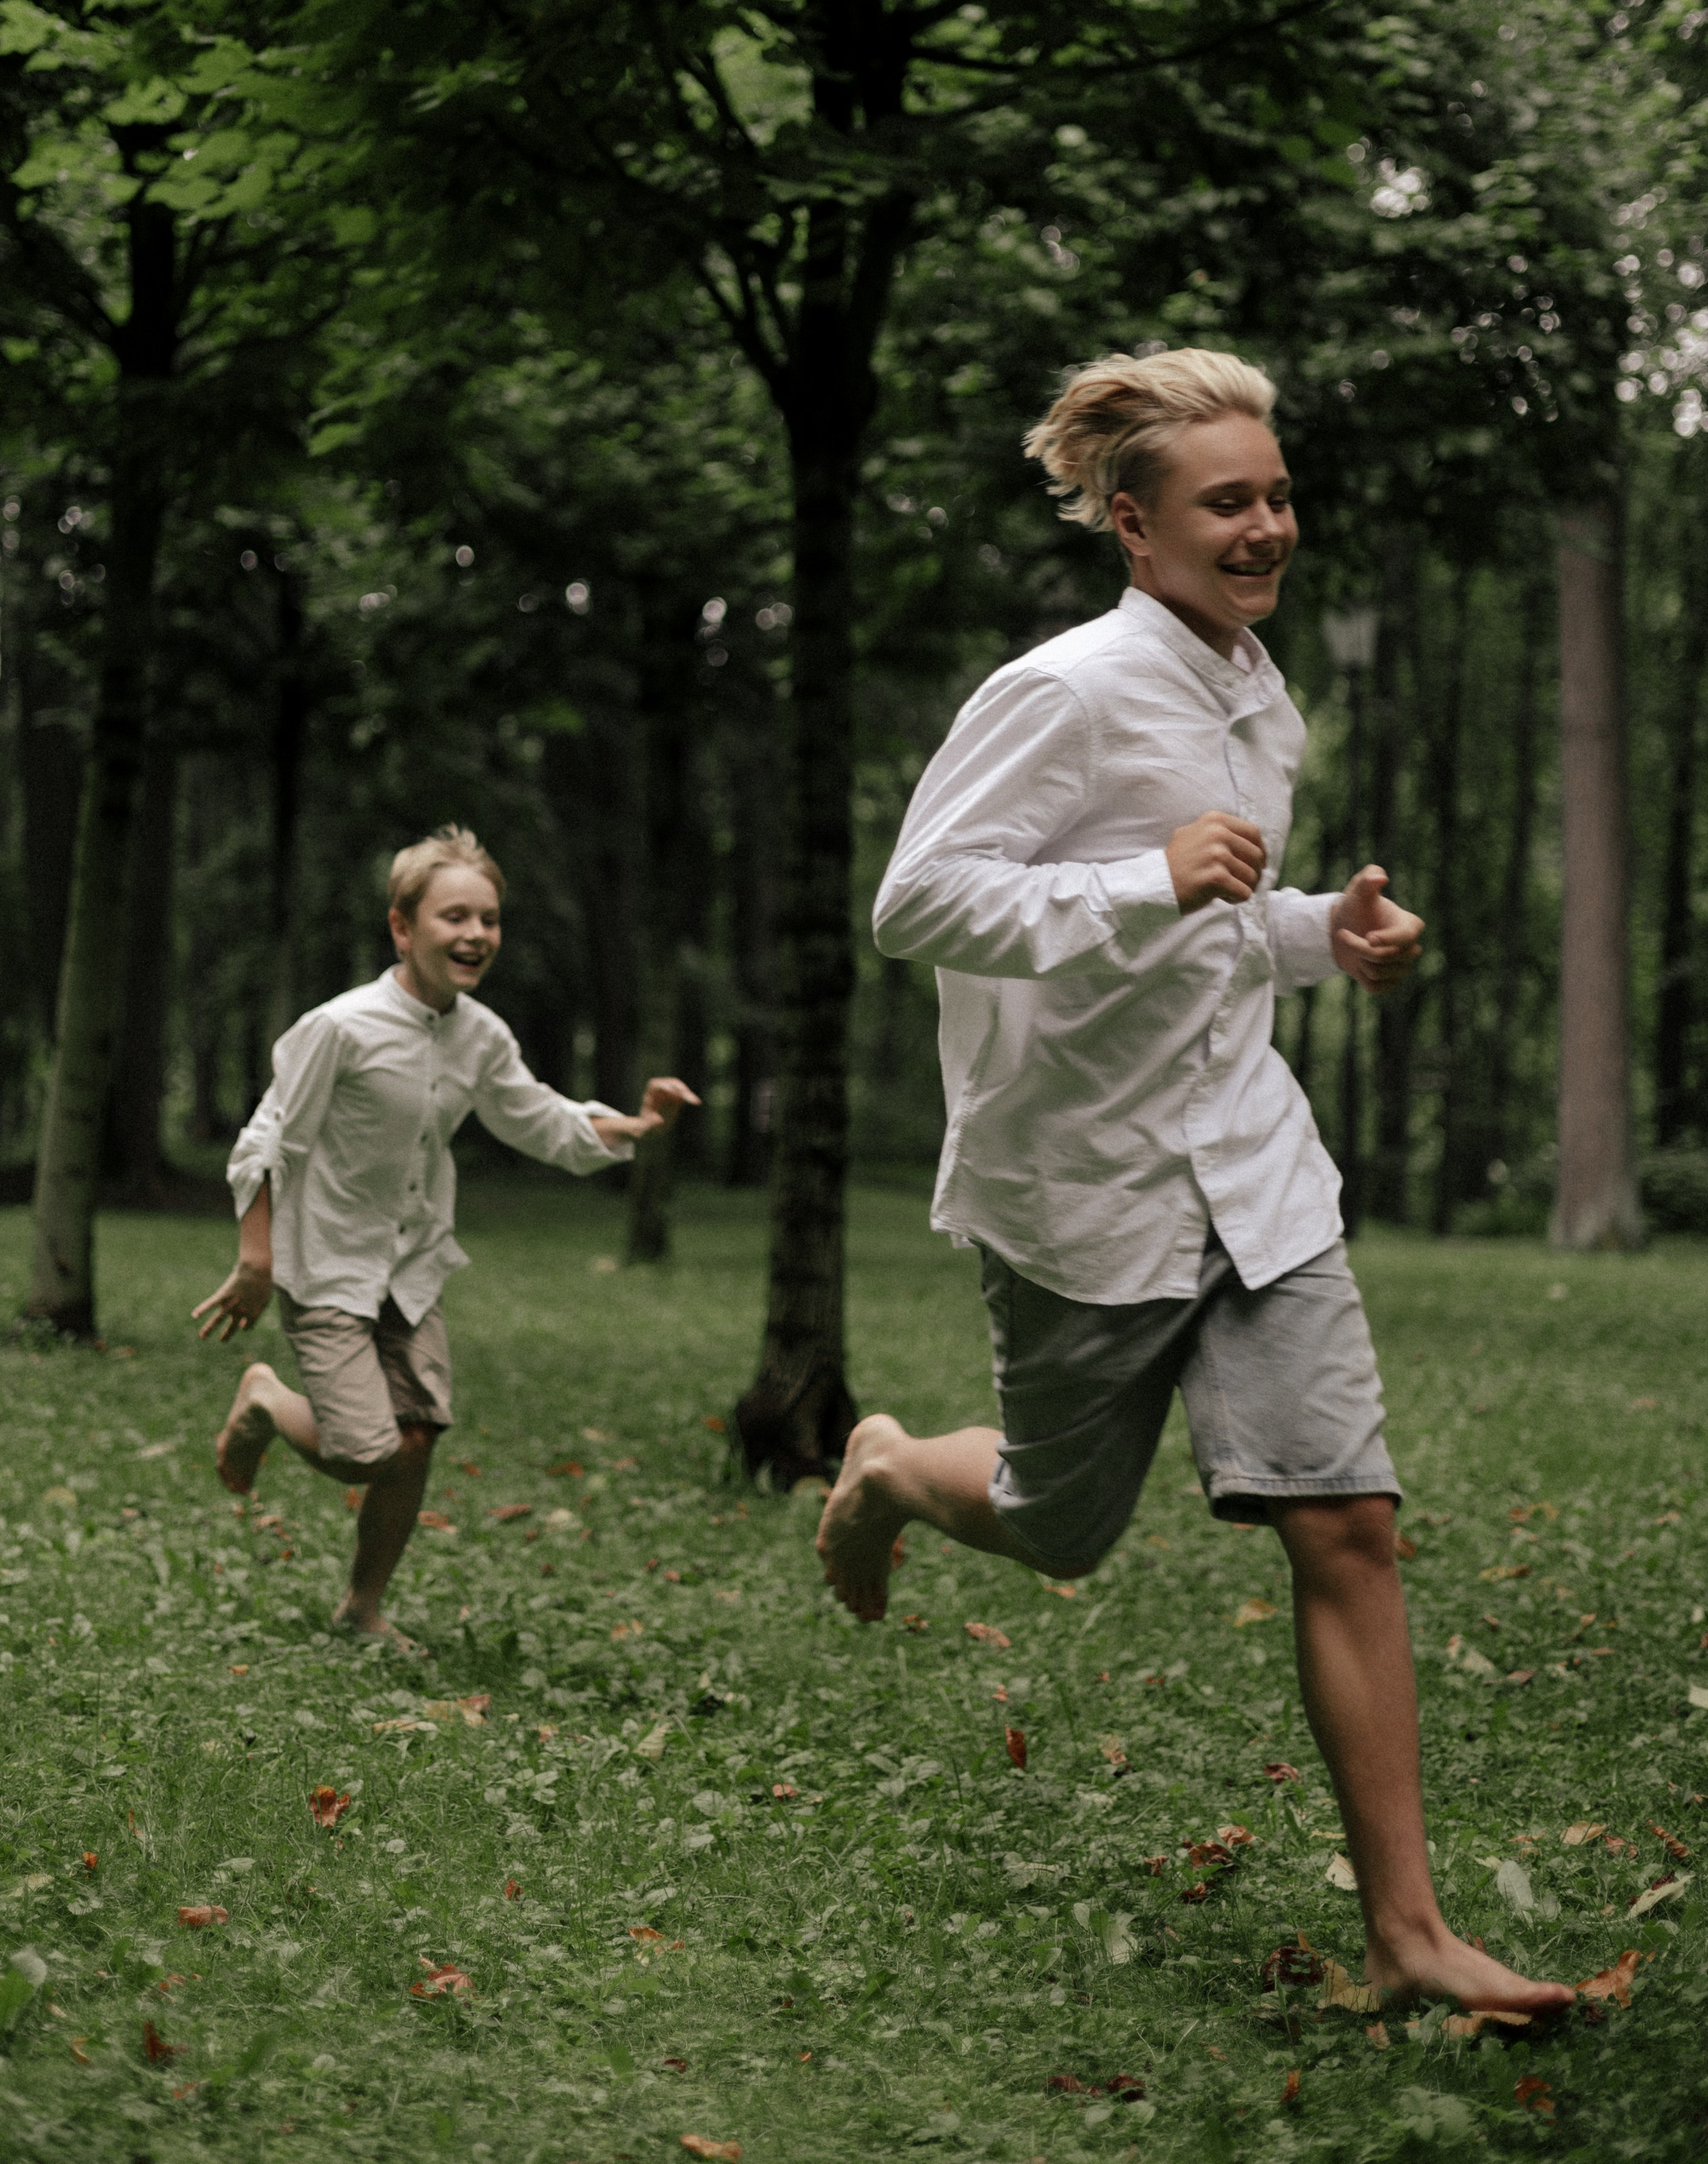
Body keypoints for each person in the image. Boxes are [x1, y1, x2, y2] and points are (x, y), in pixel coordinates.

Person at [817, 347, 1570, 2018]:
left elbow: (1215, 925)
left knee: (1346, 1519)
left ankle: (1405, 1932)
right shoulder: (1064, 687)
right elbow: (916, 901)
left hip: (1249, 1159)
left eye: (1276, 494)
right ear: (1130, 523)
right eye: (1226, 500)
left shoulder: (1258, 692)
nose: (1265, 525)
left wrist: (1320, 933)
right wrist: (1134, 877)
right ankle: (878, 1467)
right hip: (1083, 1183)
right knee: (1050, 1516)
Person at [194, 824, 697, 1653]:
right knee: (363, 1451)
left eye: (489, 919)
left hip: (413, 1265)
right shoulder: (340, 1028)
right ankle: (262, 1400)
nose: (475, 936)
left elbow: (539, 1117)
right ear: (403, 926)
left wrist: (638, 1121)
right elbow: (267, 1140)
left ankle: (361, 1608)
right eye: (454, 916)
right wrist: (257, 1259)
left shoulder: (480, 1035)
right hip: (325, 1262)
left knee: (417, 1437)